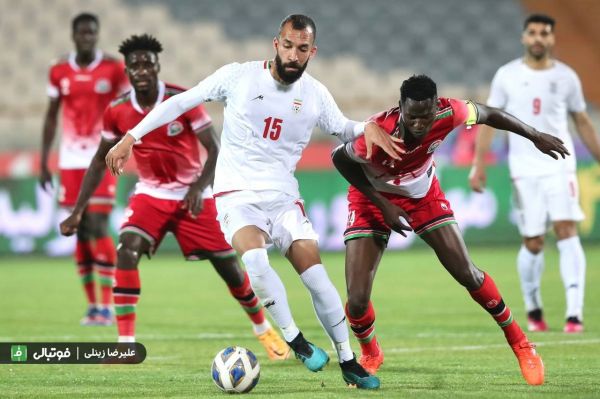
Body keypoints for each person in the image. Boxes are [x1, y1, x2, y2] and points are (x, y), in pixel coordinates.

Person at [104, 14, 405, 389]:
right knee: (256, 260)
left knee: (317, 278)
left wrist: (367, 126)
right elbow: (181, 101)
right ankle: (295, 339)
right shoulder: (239, 76)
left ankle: (347, 360)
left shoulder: (314, 93)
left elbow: (343, 127)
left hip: (283, 197)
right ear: (275, 43)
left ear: (313, 51)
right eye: (289, 46)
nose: (294, 55)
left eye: (303, 49)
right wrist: (131, 136)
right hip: (236, 194)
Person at [59, 34, 290, 360]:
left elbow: (214, 149)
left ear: (157, 67)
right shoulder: (117, 110)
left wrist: (198, 187)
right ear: (126, 71)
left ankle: (262, 328)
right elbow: (100, 159)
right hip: (151, 194)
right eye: (134, 65)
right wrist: (77, 210)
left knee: (230, 268)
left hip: (192, 195)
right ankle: (125, 346)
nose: (141, 70)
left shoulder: (181, 100)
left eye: (147, 64)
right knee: (126, 250)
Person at [332, 74, 570, 385]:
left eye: (426, 116)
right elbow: (339, 158)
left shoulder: (450, 112)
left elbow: (490, 113)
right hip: (371, 198)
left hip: (421, 195)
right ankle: (371, 353)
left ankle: (522, 344)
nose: (420, 124)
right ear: (400, 108)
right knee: (357, 299)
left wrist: (534, 134)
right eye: (413, 116)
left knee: (467, 273)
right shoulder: (379, 131)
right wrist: (382, 203)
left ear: (435, 107)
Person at [469, 14, 600, 333]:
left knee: (567, 229)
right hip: (524, 169)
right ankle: (534, 308)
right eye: (533, 32)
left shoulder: (567, 77)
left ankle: (574, 314)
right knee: (534, 240)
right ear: (524, 38)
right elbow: (489, 119)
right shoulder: (507, 75)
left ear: (552, 39)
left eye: (545, 33)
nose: (539, 37)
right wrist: (479, 163)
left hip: (560, 164)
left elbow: (581, 121)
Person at [41, 12, 129, 325]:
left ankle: (106, 305)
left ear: (97, 34)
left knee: (97, 225)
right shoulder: (59, 70)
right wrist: (43, 160)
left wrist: (122, 146)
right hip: (69, 162)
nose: (87, 37)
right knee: (78, 233)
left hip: (101, 157)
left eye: (92, 32)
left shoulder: (113, 68)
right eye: (82, 32)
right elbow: (52, 116)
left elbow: (125, 107)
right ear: (74, 35)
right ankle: (93, 306)